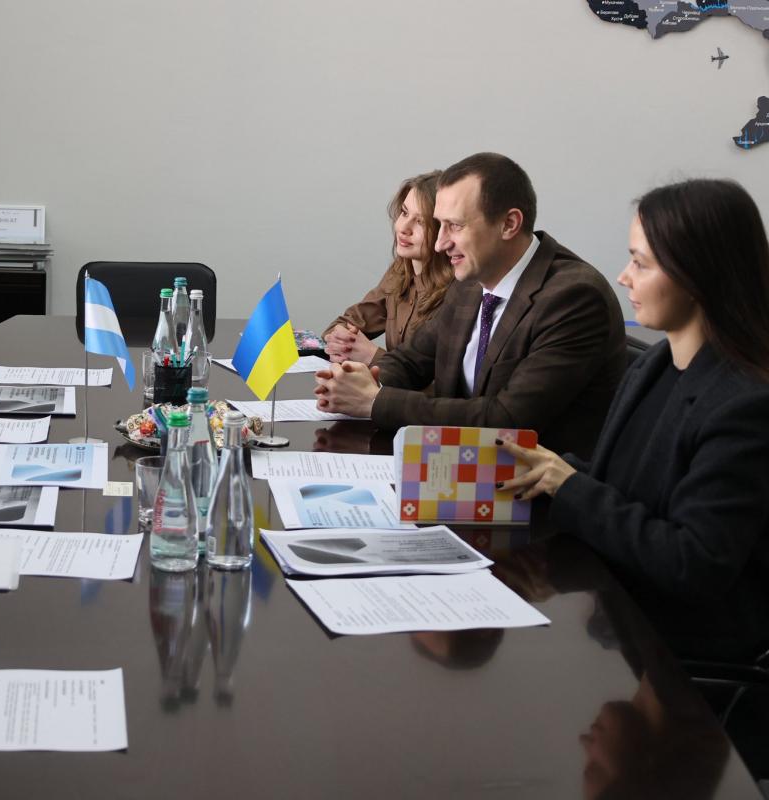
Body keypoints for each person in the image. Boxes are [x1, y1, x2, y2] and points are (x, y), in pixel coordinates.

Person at [498, 178, 769, 662]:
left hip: (677, 649)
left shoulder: (745, 404)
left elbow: (694, 562)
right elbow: (622, 489)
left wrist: (570, 486)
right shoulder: (652, 365)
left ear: (697, 274)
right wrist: (550, 472)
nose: (623, 277)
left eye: (640, 263)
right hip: (617, 609)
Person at [314, 152, 627, 457]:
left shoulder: (574, 297)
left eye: (455, 226)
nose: (440, 244)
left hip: (528, 481)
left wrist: (374, 401)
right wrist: (358, 379)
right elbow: (412, 360)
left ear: (509, 224)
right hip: (457, 464)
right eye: (439, 225)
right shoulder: (472, 280)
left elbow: (509, 420)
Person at [322, 170, 454, 365]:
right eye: (404, 212)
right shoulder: (401, 270)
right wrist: (340, 341)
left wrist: (371, 355)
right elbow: (345, 323)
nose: (403, 228)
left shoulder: (459, 294)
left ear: (442, 230)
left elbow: (442, 380)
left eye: (420, 221)